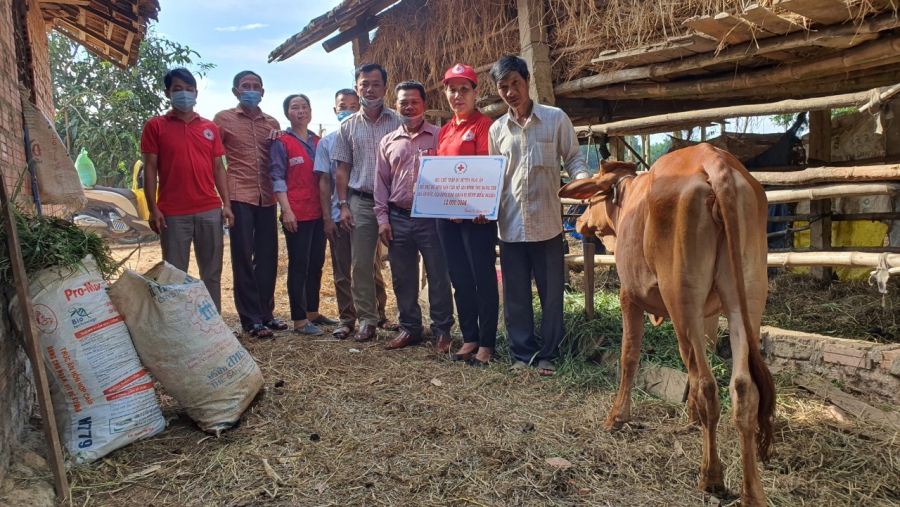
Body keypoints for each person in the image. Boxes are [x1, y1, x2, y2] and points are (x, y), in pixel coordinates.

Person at [488, 56, 590, 376]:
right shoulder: (497, 130)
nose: (510, 92)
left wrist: (584, 181)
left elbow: (573, 158)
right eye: (503, 87)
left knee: (551, 295)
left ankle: (549, 353)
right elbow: (493, 177)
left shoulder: (555, 118)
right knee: (516, 295)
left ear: (527, 80)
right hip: (511, 226)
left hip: (546, 223)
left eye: (515, 83)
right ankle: (522, 354)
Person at [141, 67, 233, 312]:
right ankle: (178, 324)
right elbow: (149, 169)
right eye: (177, 89)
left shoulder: (209, 128)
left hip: (209, 210)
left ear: (196, 93)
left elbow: (218, 169)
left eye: (188, 89)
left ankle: (213, 324)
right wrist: (153, 208)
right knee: (174, 275)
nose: (184, 94)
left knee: (212, 273)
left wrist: (227, 204)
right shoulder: (155, 126)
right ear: (168, 93)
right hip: (172, 213)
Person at [374, 81, 454, 352]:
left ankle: (443, 330)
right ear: (396, 106)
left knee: (438, 275)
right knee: (402, 276)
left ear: (424, 105)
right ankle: (410, 329)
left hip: (432, 218)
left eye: (414, 102)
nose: (409, 107)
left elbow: (452, 174)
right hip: (397, 218)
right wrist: (382, 219)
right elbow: (381, 184)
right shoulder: (387, 142)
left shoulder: (440, 137)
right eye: (403, 102)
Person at [314, 89, 396, 340]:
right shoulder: (336, 136)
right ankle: (355, 318)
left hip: (389, 202)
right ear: (335, 109)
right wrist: (338, 209)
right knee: (352, 265)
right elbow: (333, 177)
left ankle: (384, 315)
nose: (348, 109)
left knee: (378, 265)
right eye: (343, 105)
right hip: (354, 202)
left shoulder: (396, 121)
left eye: (352, 104)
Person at [333, 63, 404, 342]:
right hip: (361, 201)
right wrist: (343, 205)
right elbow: (342, 170)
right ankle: (367, 320)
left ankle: (407, 317)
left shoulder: (399, 122)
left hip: (396, 203)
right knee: (361, 263)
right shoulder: (347, 126)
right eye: (364, 84)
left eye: (376, 84)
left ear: (385, 87)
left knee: (400, 260)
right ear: (357, 87)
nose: (370, 89)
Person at [435, 63, 499, 366]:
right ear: (445, 93)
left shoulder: (485, 125)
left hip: (477, 219)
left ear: (475, 92)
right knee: (459, 278)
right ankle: (470, 336)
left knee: (483, 278)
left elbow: (487, 170)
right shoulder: (445, 131)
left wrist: (479, 206)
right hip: (448, 218)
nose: (457, 95)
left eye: (464, 89)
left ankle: (487, 342)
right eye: (452, 89)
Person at [213, 71, 285, 339]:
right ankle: (251, 319)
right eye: (245, 86)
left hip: (267, 197)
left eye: (256, 86)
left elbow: (278, 159)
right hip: (238, 196)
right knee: (243, 257)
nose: (251, 90)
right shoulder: (223, 119)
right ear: (235, 91)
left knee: (267, 258)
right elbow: (214, 160)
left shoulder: (272, 123)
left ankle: (266, 313)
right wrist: (224, 201)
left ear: (263, 92)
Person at [269, 94, 338, 336]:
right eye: (294, 107)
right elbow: (277, 178)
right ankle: (298, 320)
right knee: (299, 266)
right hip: (296, 214)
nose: (301, 111)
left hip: (320, 212)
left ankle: (312, 312)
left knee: (316, 264)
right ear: (287, 114)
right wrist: (285, 210)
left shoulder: (320, 141)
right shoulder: (282, 142)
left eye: (304, 106)